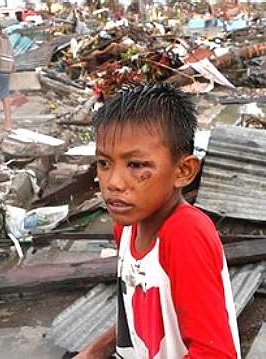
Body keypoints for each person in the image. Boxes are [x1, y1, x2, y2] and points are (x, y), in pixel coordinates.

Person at [76, 84, 240, 358]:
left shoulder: (184, 234)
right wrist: (94, 351)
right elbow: (136, 309)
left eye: (137, 165)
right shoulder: (127, 228)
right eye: (104, 163)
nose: (113, 183)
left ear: (184, 171)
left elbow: (217, 353)